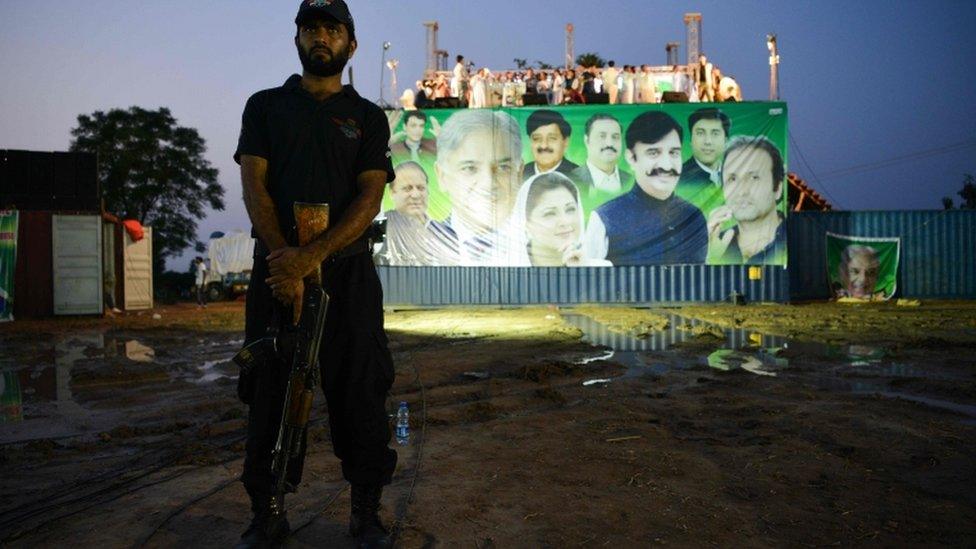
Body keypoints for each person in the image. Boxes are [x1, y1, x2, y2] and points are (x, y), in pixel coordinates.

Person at [233, 2, 397, 547]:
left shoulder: (368, 117)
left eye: (332, 29)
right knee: (270, 390)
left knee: (360, 388)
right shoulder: (265, 107)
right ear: (297, 40)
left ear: (351, 44)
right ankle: (269, 512)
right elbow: (254, 186)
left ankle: (365, 513)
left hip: (347, 276)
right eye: (311, 29)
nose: (320, 37)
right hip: (277, 273)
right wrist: (286, 260)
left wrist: (313, 258)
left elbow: (369, 197)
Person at [583, 111, 707, 265]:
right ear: (631, 158)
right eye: (653, 153)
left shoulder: (693, 217)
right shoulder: (604, 218)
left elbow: (700, 281)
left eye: (674, 153)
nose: (666, 165)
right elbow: (588, 281)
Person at [434, 109, 524, 266]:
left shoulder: (546, 244)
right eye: (470, 168)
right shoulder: (423, 241)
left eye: (503, 167)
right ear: (442, 176)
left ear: (519, 173)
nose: (488, 183)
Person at [706, 135, 787, 265]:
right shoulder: (715, 247)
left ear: (777, 188)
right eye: (732, 179)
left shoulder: (798, 243)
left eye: (754, 177)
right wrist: (709, 261)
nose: (742, 191)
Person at [510, 172, 612, 267]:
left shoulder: (601, 269)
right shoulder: (507, 270)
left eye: (570, 209)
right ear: (525, 221)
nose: (565, 221)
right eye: (549, 213)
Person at [568, 113, 634, 213]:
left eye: (615, 137)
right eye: (602, 136)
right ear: (587, 141)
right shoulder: (570, 181)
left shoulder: (631, 182)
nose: (609, 143)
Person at [676, 107, 730, 216]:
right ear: (691, 140)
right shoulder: (678, 179)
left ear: (725, 141)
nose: (708, 142)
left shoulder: (734, 175)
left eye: (715, 134)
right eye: (700, 133)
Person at [523, 110, 579, 180]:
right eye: (536, 139)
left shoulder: (579, 177)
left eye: (552, 138)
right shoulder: (519, 174)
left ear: (565, 141)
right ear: (530, 141)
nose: (544, 145)